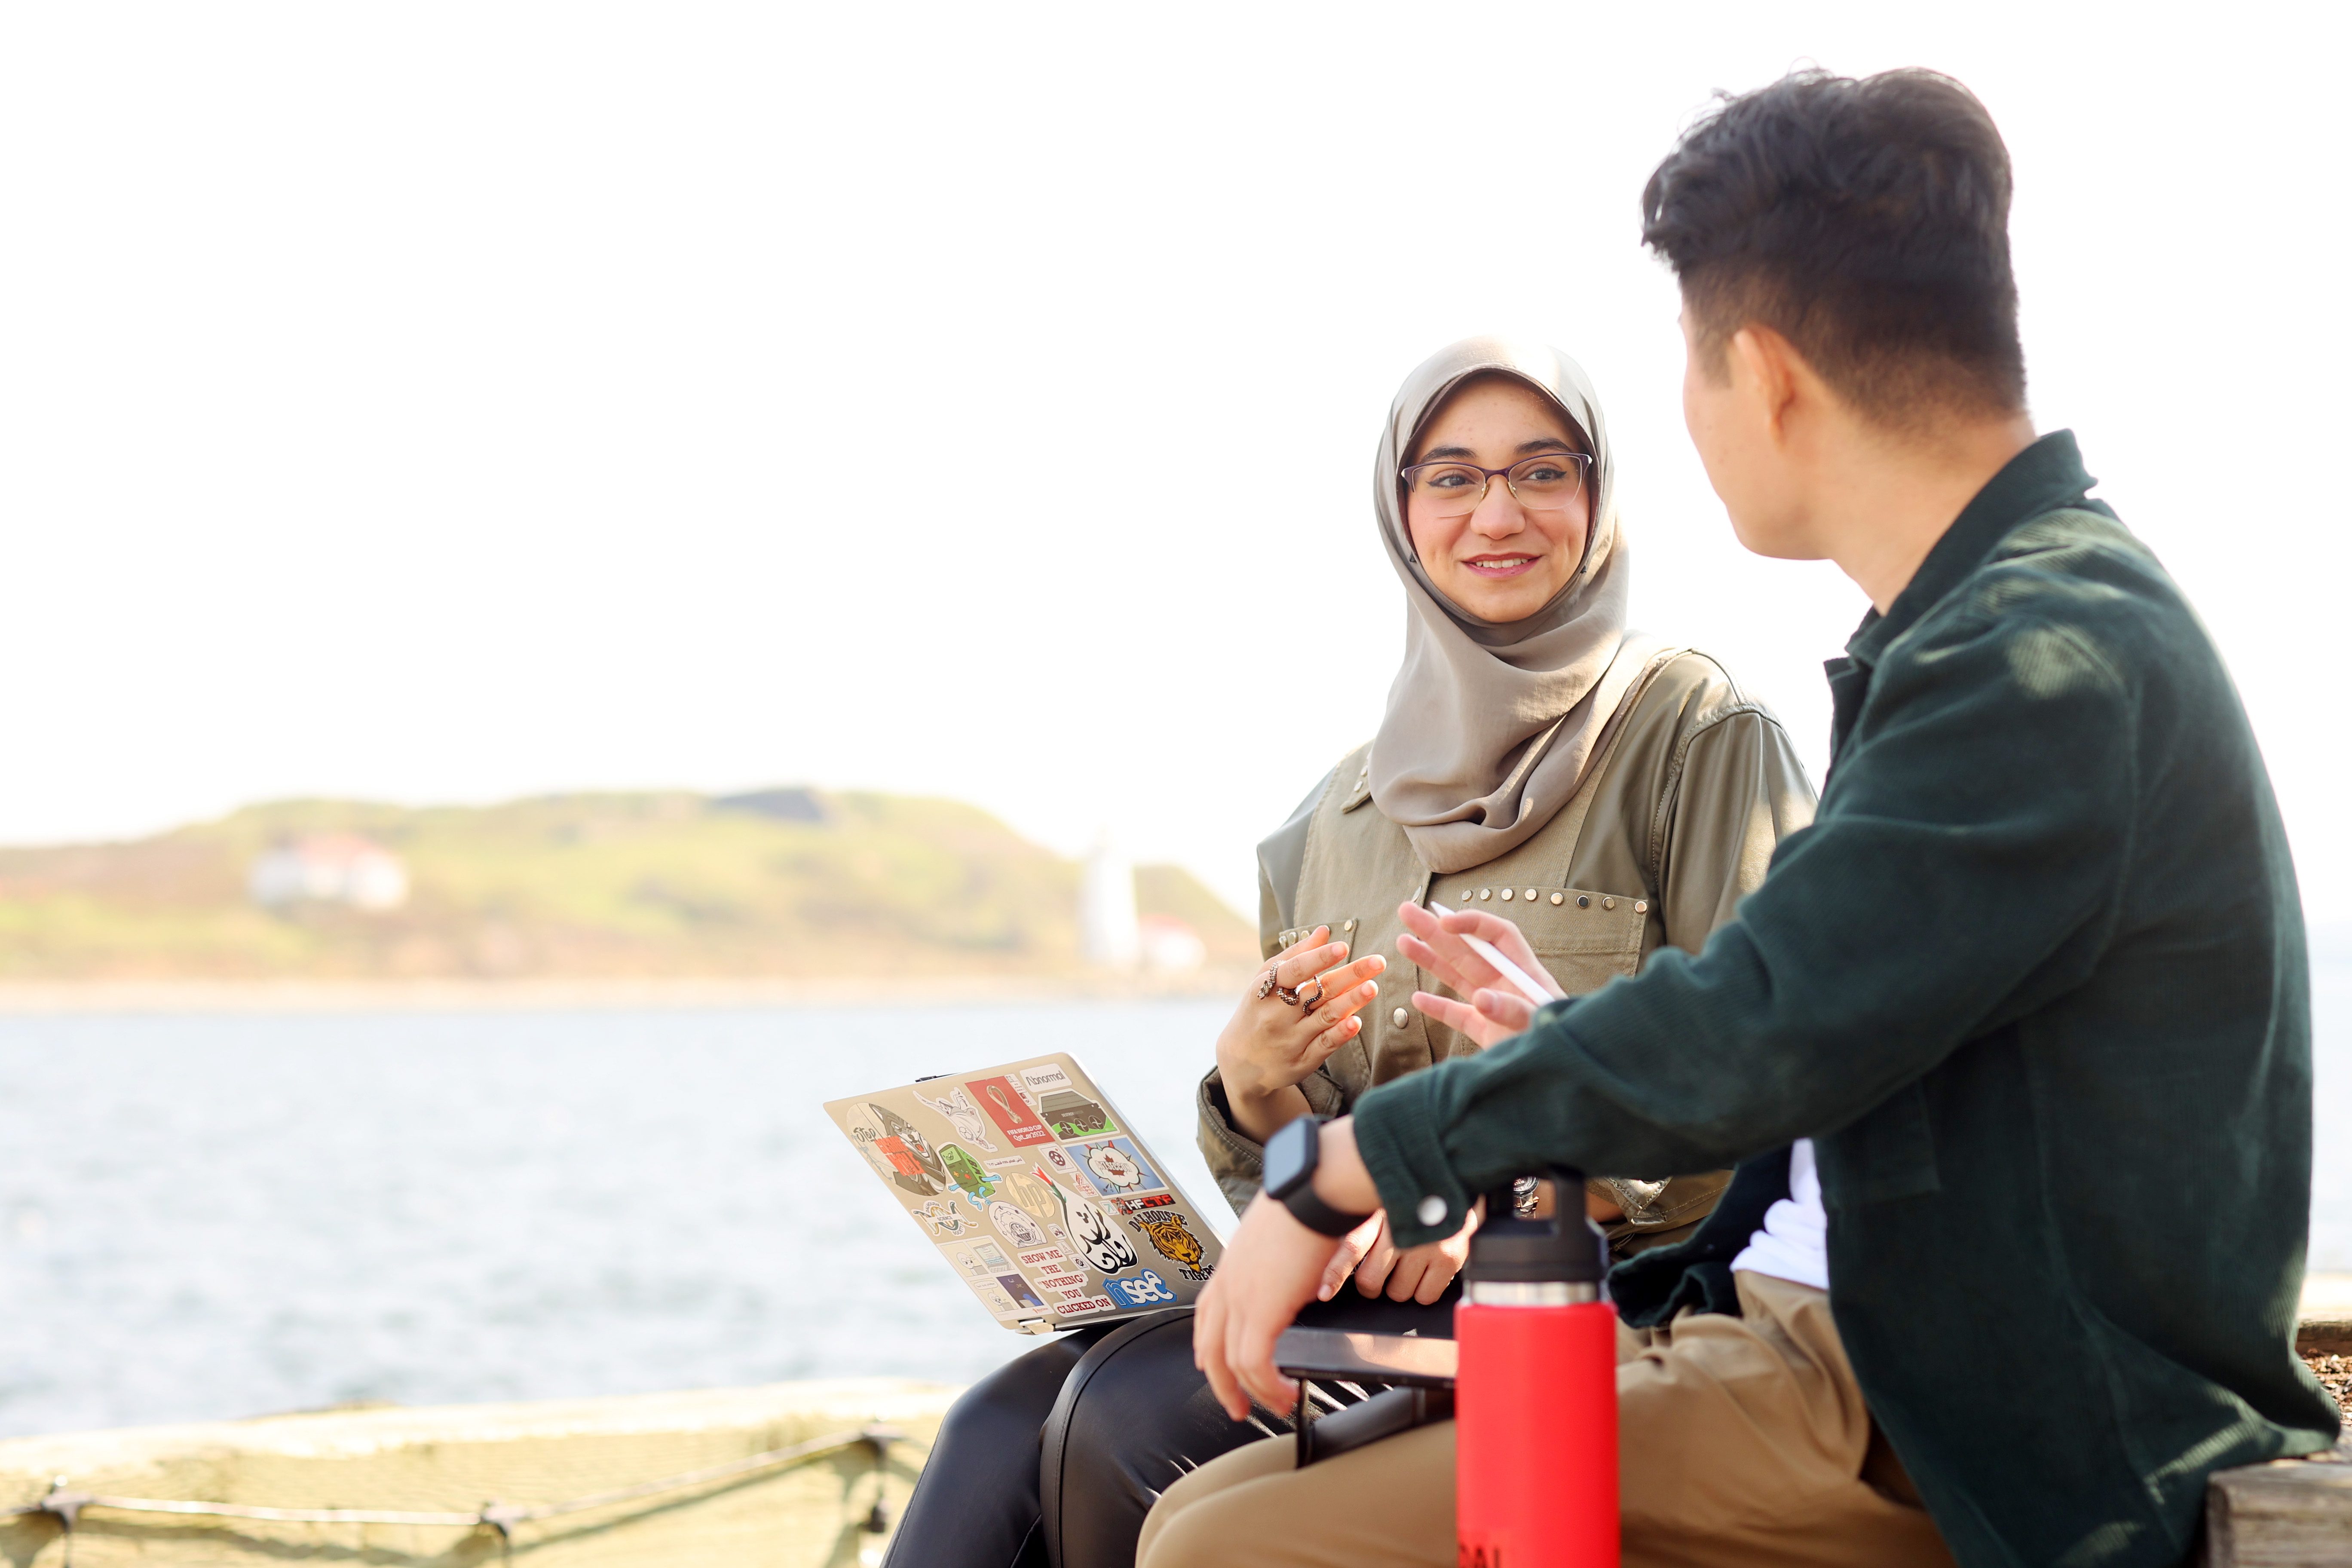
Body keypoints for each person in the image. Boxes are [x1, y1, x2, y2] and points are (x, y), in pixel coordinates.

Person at [1146, 67, 2340, 1568]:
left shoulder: (2041, 660)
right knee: (1204, 1510)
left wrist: (1343, 1167)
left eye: (1691, 374)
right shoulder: (1979, 630)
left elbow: (1758, 1029)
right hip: (1802, 1346)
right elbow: (1805, 1016)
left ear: (1764, 375)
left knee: (1221, 1553)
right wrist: (1550, 1051)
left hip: (1943, 1412)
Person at [882, 336, 1815, 1568]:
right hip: (1367, 1314)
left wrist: (1493, 1197)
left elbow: (1775, 1097)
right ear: (1401, 510)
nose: (1499, 512)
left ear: (1598, 499)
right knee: (1003, 1419)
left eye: (1544, 471)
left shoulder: (1698, 737)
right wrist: (1261, 1085)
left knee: (1132, 1422)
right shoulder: (1336, 819)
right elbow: (1295, 1192)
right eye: (1452, 477)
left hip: (1599, 1311)